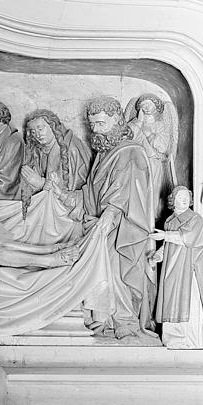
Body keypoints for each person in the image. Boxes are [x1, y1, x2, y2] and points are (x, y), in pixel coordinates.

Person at [54, 97, 156, 339]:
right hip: (98, 224)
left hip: (122, 227)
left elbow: (127, 189)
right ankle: (105, 321)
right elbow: (90, 193)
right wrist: (62, 194)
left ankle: (125, 322)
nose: (96, 130)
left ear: (118, 120)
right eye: (92, 126)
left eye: (101, 124)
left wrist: (109, 215)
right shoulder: (102, 153)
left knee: (118, 270)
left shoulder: (131, 152)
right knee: (100, 272)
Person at [150, 186, 203, 349]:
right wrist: (158, 255)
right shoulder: (169, 221)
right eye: (180, 196)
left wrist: (165, 235)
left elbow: (186, 238)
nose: (184, 199)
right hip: (172, 270)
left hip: (188, 270)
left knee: (188, 302)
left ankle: (190, 341)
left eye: (186, 197)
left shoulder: (195, 219)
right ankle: (172, 339)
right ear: (172, 200)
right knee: (171, 301)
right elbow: (168, 245)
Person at [20, 109, 92, 216]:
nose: (37, 135)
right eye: (33, 132)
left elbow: (75, 191)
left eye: (40, 129)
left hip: (66, 210)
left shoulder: (71, 149)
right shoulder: (38, 149)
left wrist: (41, 183)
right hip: (45, 205)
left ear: (52, 126)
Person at [127, 93, 174, 215]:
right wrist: (139, 122)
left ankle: (152, 219)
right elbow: (126, 140)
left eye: (149, 104)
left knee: (152, 191)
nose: (146, 107)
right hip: (136, 164)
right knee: (136, 191)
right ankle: (136, 218)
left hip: (153, 162)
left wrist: (149, 134)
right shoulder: (133, 124)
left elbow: (163, 147)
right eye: (143, 105)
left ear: (156, 107)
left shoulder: (161, 125)